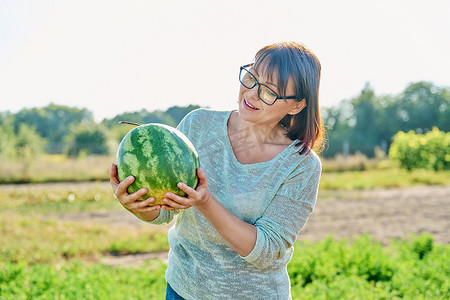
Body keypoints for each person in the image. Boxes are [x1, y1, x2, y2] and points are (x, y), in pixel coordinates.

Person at [110, 41, 324, 300]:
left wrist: (206, 202)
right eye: (251, 78)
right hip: (183, 289)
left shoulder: (301, 165)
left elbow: (266, 251)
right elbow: (166, 212)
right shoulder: (198, 125)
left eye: (270, 91)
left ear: (296, 106)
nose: (252, 93)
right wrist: (139, 205)